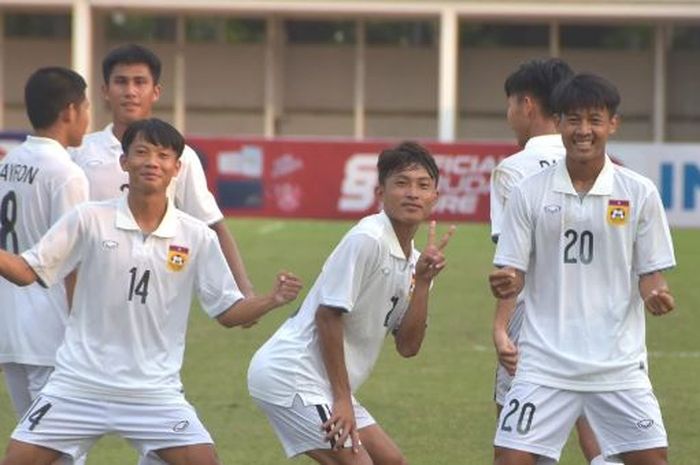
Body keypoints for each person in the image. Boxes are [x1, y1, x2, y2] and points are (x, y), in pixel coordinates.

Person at [0, 118, 303, 465]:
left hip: (153, 392)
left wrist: (270, 300)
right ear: (124, 162)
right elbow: (27, 271)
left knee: (204, 461)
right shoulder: (88, 219)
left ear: (177, 167)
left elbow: (227, 312)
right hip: (78, 385)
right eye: (141, 152)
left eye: (163, 155)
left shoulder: (196, 236)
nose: (152, 162)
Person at [489, 73, 676, 465]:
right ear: (558, 124)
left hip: (617, 363)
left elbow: (650, 275)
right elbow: (513, 270)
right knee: (510, 459)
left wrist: (655, 294)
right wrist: (506, 280)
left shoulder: (639, 192)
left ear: (613, 123)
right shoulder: (529, 191)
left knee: (652, 460)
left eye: (594, 119)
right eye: (573, 119)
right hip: (543, 361)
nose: (584, 130)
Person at [248, 141, 455, 465]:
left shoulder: (418, 262)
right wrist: (342, 401)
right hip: (291, 373)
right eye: (401, 183)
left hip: (327, 383)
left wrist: (424, 282)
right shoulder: (367, 239)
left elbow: (408, 346)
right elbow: (327, 316)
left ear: (434, 198)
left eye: (422, 185)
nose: (413, 193)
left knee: (392, 461)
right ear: (380, 193)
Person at [490, 59, 613, 465]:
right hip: (597, 312)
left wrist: (500, 326)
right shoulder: (603, 166)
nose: (508, 115)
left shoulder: (513, 170)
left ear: (527, 104)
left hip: (536, 314)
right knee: (591, 419)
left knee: (516, 428)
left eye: (509, 104)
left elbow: (513, 261)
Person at [70, 43, 254, 297]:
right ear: (105, 91)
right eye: (121, 82)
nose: (130, 91)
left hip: (154, 295)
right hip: (89, 292)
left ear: (155, 92)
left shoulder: (181, 157)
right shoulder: (79, 153)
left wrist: (242, 288)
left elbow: (212, 224)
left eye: (140, 82)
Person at [0, 67, 90, 422]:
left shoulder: (9, 163)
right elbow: (73, 261)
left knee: (33, 448)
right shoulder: (66, 173)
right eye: (85, 108)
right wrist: (81, 335)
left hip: (9, 327)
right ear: (69, 111)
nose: (86, 117)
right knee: (60, 451)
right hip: (49, 334)